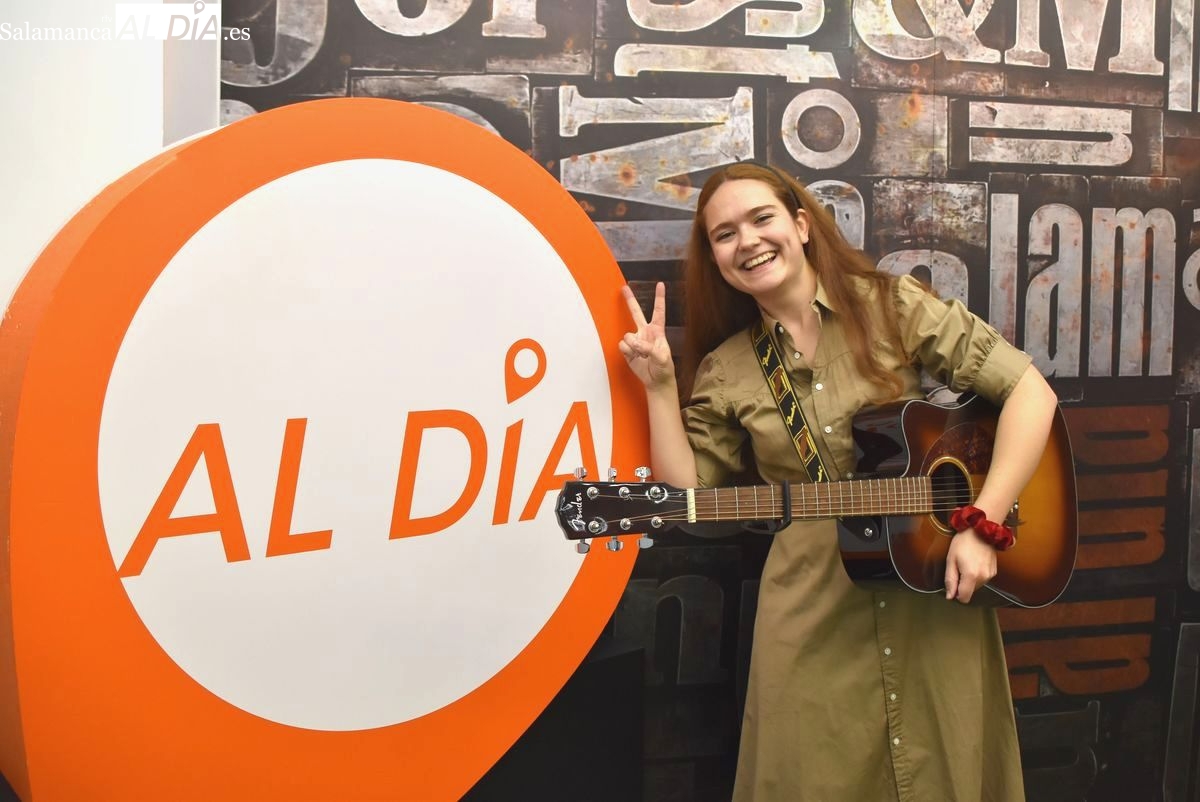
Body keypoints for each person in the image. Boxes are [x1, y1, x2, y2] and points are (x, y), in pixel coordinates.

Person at [617, 162, 1058, 801]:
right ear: (715, 259)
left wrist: (983, 523)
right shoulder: (729, 368)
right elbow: (689, 494)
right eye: (724, 234)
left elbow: (1029, 393)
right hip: (811, 605)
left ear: (799, 224)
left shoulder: (894, 306)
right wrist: (659, 387)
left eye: (761, 218)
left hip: (931, 587)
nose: (747, 241)